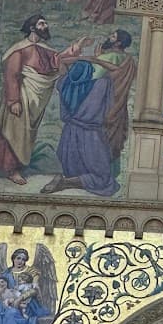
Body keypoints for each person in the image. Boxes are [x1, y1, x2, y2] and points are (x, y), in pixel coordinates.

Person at [0, 14, 87, 184]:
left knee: (26, 134)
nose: (45, 26)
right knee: (14, 132)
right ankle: (11, 169)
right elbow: (12, 74)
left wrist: (77, 47)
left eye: (45, 23)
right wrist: (13, 101)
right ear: (32, 28)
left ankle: (17, 167)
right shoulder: (19, 49)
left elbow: (57, 62)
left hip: (35, 100)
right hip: (21, 96)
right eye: (41, 23)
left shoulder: (45, 49)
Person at [40, 30, 136, 198]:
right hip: (89, 110)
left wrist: (92, 58)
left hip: (88, 106)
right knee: (104, 179)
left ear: (119, 43)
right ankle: (67, 181)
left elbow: (67, 65)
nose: (109, 37)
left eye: (112, 36)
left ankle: (65, 181)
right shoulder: (111, 67)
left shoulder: (111, 62)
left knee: (104, 179)